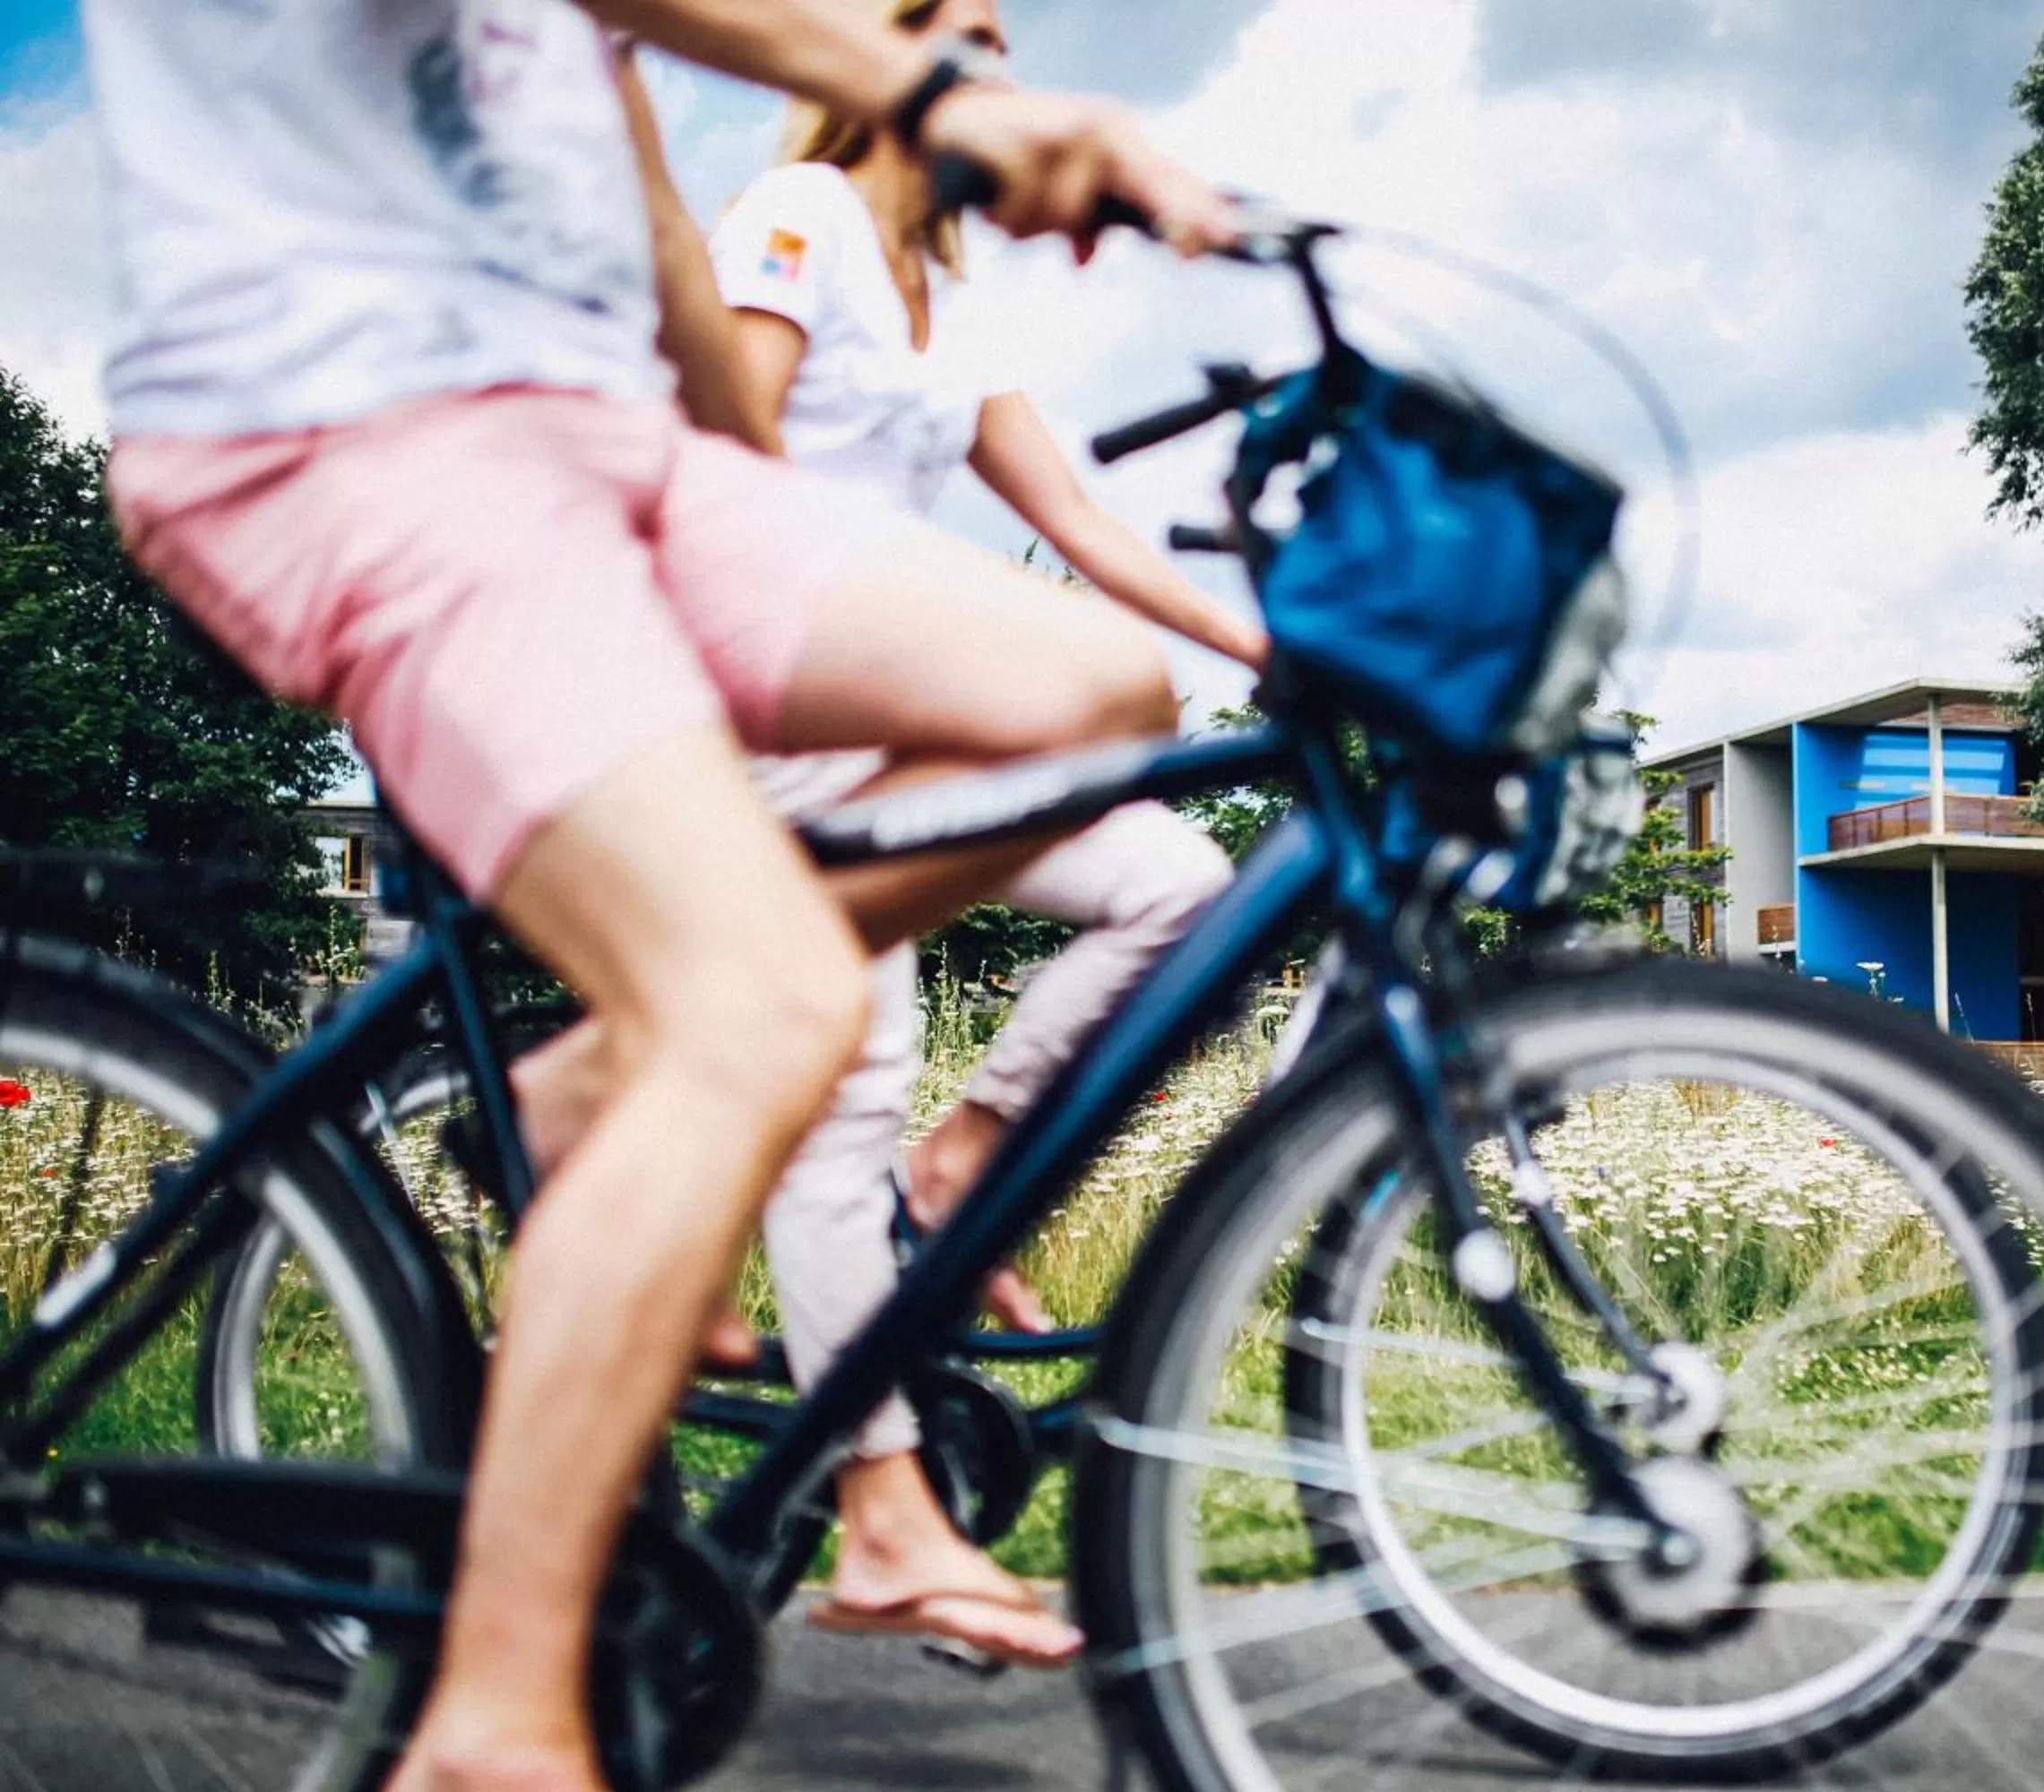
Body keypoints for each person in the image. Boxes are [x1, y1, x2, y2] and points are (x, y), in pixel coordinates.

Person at [78, 1, 1233, 1786]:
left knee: (1090, 697)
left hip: (603, 459)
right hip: (343, 423)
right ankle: (491, 1727)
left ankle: (588, 1080)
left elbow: (665, 238)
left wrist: (775, 560)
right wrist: (907, 89)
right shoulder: (844, 178)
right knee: (777, 1001)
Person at [706, 0, 1262, 1670]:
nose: (989, 56)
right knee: (844, 1069)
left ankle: (959, 1165)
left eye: (1002, 31)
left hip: (917, 734)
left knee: (1180, 886)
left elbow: (1081, 523)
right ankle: (883, 1503)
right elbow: (725, 470)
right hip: (785, 720)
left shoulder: (952, 300)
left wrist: (1267, 647)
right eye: (948, 24)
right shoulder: (789, 222)